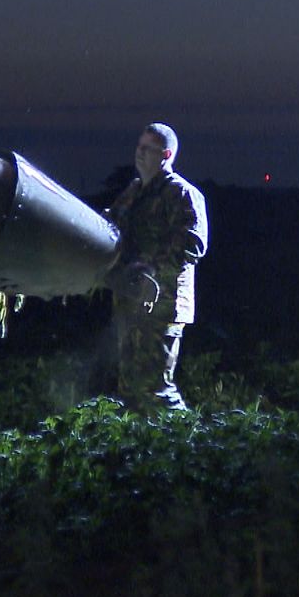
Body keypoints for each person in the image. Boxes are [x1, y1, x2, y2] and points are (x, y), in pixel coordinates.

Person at [105, 122, 209, 412]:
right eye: (139, 147)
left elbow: (193, 244)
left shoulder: (181, 193)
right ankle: (141, 439)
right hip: (130, 301)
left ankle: (188, 435)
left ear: (166, 155)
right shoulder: (133, 191)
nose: (139, 153)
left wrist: (149, 267)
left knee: (158, 389)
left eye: (147, 149)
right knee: (129, 386)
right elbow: (112, 225)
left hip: (163, 304)